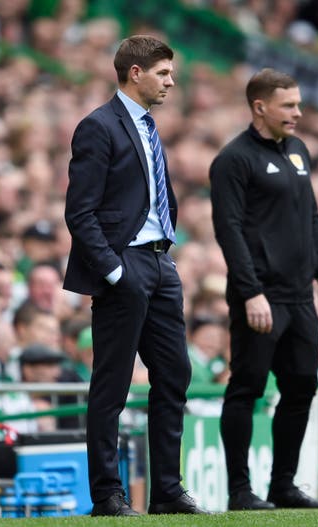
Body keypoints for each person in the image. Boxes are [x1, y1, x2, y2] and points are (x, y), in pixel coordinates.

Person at [63, 35, 205, 516]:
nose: (172, 81)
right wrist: (115, 271)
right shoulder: (98, 127)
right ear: (135, 72)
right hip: (125, 265)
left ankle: (167, 491)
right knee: (113, 384)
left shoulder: (148, 127)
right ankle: (107, 495)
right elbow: (79, 213)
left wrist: (162, 258)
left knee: (175, 374)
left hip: (161, 263)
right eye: (164, 72)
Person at [209, 68, 318, 511]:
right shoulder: (233, 159)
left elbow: (312, 216)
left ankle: (284, 484)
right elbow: (228, 231)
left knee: (302, 386)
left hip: (300, 296)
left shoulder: (298, 151)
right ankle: (240, 491)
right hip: (260, 295)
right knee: (246, 387)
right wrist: (249, 292)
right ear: (260, 107)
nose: (298, 113)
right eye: (289, 105)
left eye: (299, 105)